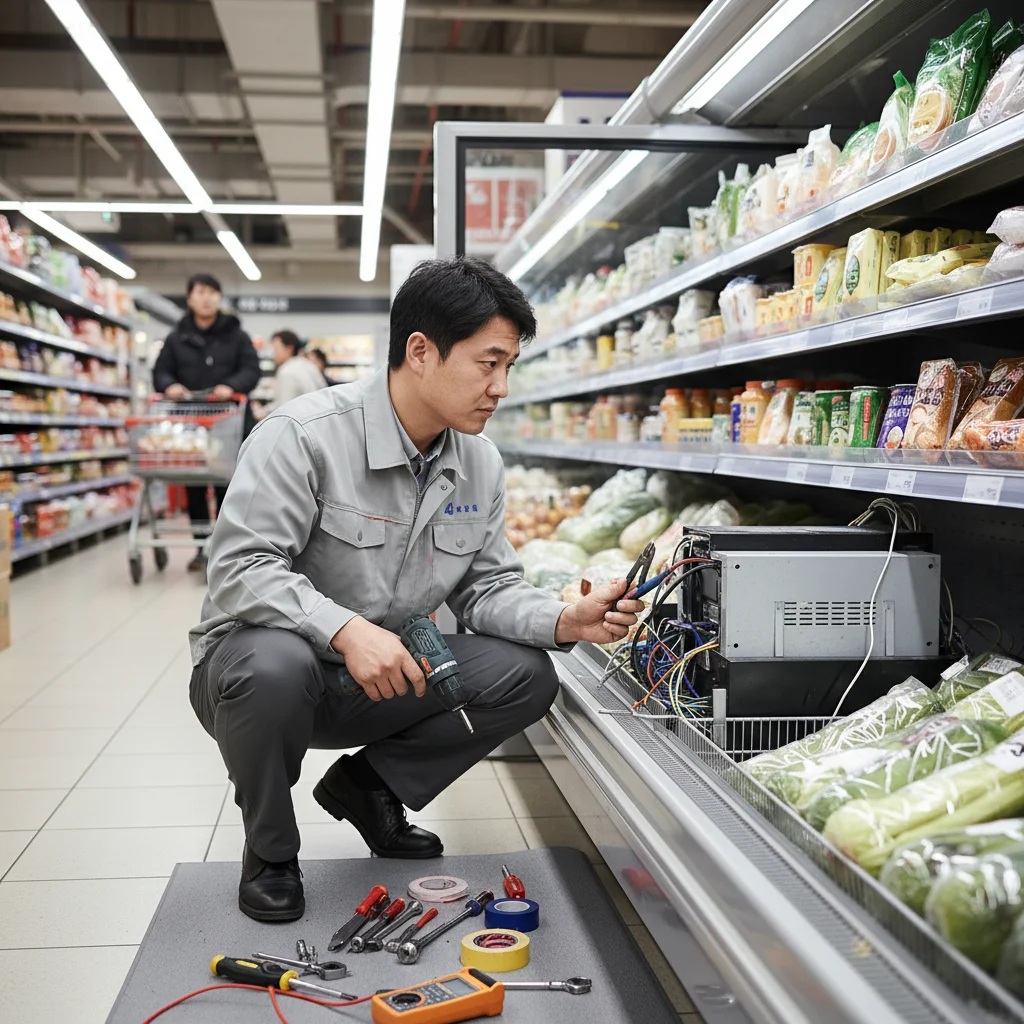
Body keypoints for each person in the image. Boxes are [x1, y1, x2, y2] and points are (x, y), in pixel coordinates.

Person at [187, 256, 644, 922]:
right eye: (488, 363)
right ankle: (271, 852)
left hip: (386, 673)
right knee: (273, 663)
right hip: (263, 678)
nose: (502, 387)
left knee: (526, 675)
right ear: (421, 352)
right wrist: (344, 629)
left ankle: (369, 788)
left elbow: (487, 589)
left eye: (509, 366)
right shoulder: (302, 436)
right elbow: (239, 568)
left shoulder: (478, 461)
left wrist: (566, 619)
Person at [152, 273, 260, 573]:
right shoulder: (176, 338)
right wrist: (169, 385)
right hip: (191, 425)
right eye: (200, 291)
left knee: (231, 486)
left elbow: (252, 371)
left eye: (213, 292)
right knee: (195, 486)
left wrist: (231, 384)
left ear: (219, 298)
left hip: (230, 422)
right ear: (189, 298)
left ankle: (227, 550)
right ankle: (201, 548)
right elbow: (160, 372)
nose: (207, 297)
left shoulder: (237, 336)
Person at [253, 330, 326, 420]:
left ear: (289, 349)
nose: (273, 354)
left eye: (276, 349)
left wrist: (259, 413)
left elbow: (283, 411)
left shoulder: (287, 371)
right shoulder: (308, 365)